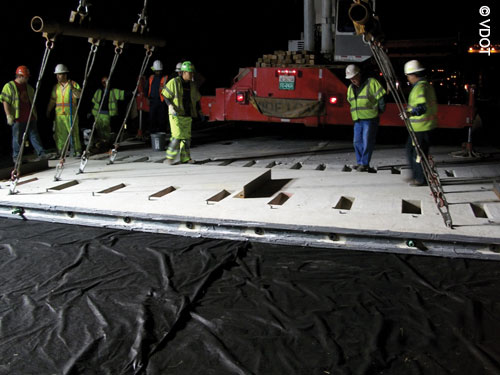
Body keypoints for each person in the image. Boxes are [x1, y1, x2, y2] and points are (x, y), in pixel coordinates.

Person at [1, 65, 47, 163]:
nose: (27, 79)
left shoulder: (29, 88)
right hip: (18, 118)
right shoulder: (9, 86)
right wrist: (8, 115)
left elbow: (32, 102)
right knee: (17, 138)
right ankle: (17, 157)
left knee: (34, 136)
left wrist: (35, 115)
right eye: (26, 77)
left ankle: (41, 153)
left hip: (30, 117)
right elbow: (5, 101)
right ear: (20, 76)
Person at [346, 64, 386, 172]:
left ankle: (364, 163)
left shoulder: (371, 82)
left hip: (370, 118)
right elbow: (351, 101)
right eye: (350, 79)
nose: (352, 80)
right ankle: (360, 162)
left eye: (354, 77)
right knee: (357, 141)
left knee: (367, 141)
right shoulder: (351, 88)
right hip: (358, 119)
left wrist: (380, 110)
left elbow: (381, 97)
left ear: (359, 74)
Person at [404, 60, 438, 186]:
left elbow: (422, 107)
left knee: (418, 154)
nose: (408, 78)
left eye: (408, 75)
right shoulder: (424, 85)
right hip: (418, 127)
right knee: (410, 151)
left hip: (422, 127)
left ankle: (420, 179)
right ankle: (416, 176)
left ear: (414, 74)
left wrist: (410, 113)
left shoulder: (420, 87)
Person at [161, 61, 201, 164]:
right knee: (177, 136)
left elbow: (196, 99)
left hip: (187, 114)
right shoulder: (174, 82)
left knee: (186, 138)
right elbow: (165, 94)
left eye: (192, 72)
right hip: (176, 114)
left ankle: (186, 158)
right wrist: (170, 106)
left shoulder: (192, 85)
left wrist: (198, 110)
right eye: (190, 72)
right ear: (184, 72)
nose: (192, 74)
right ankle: (170, 158)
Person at [46, 64, 82, 156]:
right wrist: (48, 110)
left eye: (60, 74)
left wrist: (73, 89)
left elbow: (79, 96)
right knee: (60, 135)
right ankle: (61, 152)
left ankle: (77, 151)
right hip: (59, 115)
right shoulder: (56, 87)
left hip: (71, 114)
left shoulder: (73, 84)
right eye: (57, 74)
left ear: (65, 74)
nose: (57, 76)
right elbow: (52, 100)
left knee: (74, 133)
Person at [90, 76, 125, 150]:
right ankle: (100, 144)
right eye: (104, 82)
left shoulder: (113, 91)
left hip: (106, 113)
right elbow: (93, 102)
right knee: (98, 129)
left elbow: (122, 94)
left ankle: (106, 144)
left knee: (106, 130)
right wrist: (91, 112)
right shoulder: (99, 91)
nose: (105, 84)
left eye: (107, 82)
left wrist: (133, 93)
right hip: (98, 114)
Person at [146, 60, 168, 135]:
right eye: (156, 71)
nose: (158, 72)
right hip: (152, 100)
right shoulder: (151, 77)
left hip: (161, 101)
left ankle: (162, 132)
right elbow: (147, 88)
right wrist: (147, 98)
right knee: (152, 117)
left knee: (162, 117)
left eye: (159, 71)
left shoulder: (165, 78)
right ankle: (152, 132)